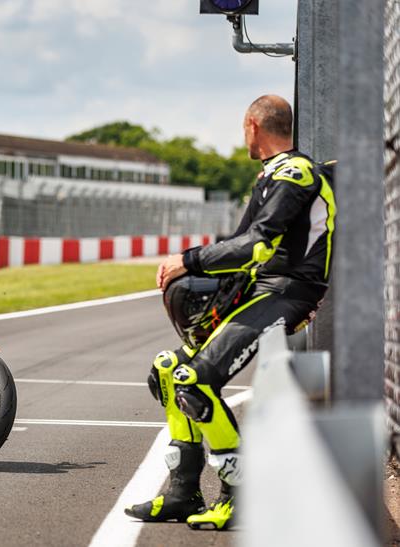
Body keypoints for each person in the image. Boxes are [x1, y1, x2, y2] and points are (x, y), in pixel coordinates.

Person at [123, 94, 336, 530]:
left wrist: (189, 259)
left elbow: (255, 245)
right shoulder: (276, 174)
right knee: (169, 370)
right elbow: (246, 247)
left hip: (286, 292)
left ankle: (240, 496)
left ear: (253, 126)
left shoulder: (294, 172)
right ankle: (182, 493)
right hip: (263, 289)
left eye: (243, 129)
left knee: (196, 381)